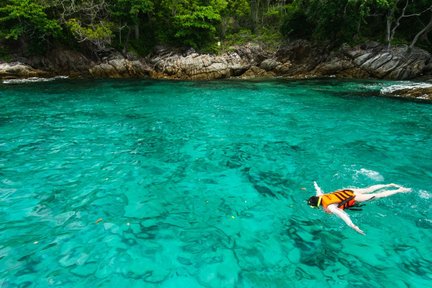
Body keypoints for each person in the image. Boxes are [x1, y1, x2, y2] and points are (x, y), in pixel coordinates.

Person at [307, 181, 412, 235]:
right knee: (369, 189)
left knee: (377, 196)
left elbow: (343, 215)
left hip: (355, 197)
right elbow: (318, 189)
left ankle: (399, 190)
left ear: (317, 205)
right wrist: (315, 183)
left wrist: (353, 226)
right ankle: (389, 184)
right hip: (348, 191)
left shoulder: (331, 207)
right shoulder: (320, 196)